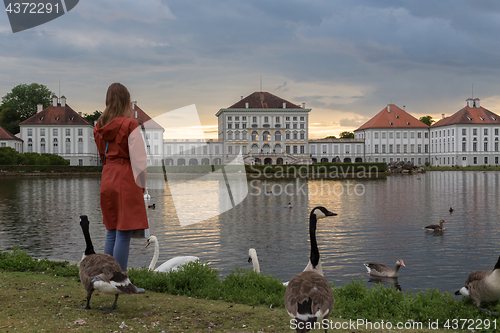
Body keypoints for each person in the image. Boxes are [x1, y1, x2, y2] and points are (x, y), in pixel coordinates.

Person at [94, 83, 149, 272]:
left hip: (107, 175)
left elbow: (102, 154)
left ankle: (107, 277)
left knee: (111, 231)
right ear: (126, 100)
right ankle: (120, 280)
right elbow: (139, 160)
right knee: (123, 233)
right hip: (126, 177)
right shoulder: (130, 124)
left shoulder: (99, 127)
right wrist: (141, 186)